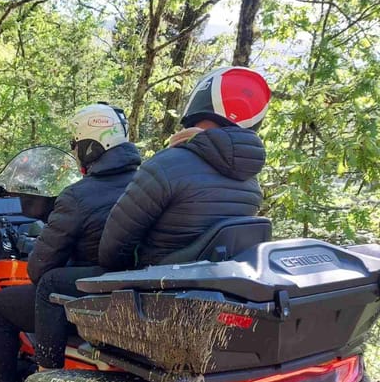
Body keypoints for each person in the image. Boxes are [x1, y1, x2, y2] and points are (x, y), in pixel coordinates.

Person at [0, 103, 141, 382]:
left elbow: (37, 270)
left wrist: (36, 247)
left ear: (89, 147)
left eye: (76, 146)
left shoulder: (78, 196)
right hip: (134, 297)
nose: (75, 153)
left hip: (86, 301)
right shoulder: (147, 185)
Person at [99, 66, 271, 270]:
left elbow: (112, 249)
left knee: (52, 281)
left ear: (200, 100)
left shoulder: (167, 164)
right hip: (214, 287)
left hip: (153, 287)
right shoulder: (251, 184)